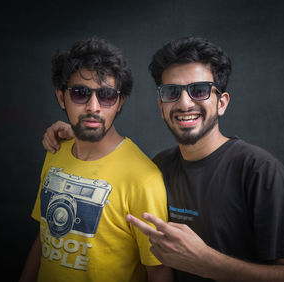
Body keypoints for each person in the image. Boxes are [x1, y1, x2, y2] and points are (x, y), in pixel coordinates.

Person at [42, 36, 284, 282]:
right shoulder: (159, 167)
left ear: (222, 102)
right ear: (161, 106)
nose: (184, 103)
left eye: (199, 90)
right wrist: (78, 132)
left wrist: (207, 262)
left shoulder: (258, 170)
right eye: (172, 92)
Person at [20, 37, 172, 282]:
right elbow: (44, 235)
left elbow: (159, 271)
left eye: (107, 96)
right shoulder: (56, 151)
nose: (93, 106)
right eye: (80, 93)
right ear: (61, 97)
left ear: (120, 102)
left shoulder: (143, 178)